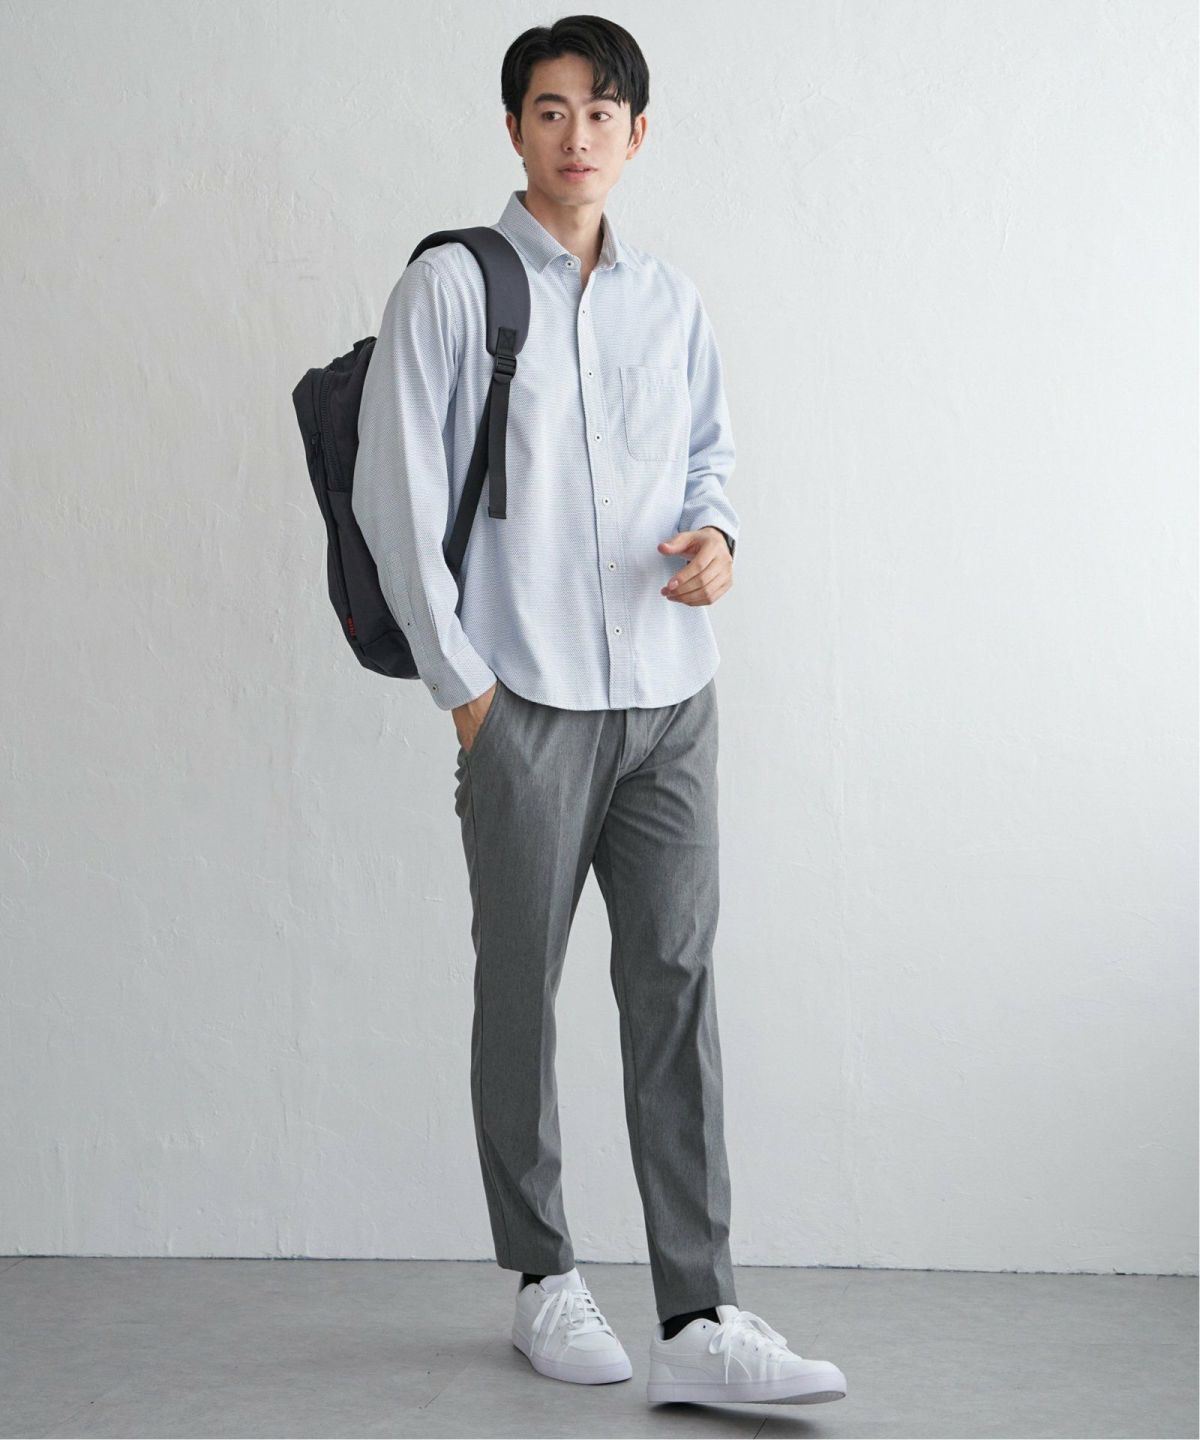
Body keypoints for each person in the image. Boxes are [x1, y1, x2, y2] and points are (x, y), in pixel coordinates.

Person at [352, 13, 847, 1409]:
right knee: (520, 989)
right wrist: (468, 694)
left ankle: (701, 1314)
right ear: (515, 126)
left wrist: (720, 540)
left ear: (639, 133)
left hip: (671, 697)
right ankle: (541, 1278)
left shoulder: (670, 300)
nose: (579, 135)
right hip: (528, 700)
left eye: (604, 110)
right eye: (552, 109)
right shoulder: (453, 287)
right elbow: (395, 495)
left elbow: (710, 457)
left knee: (676, 988)